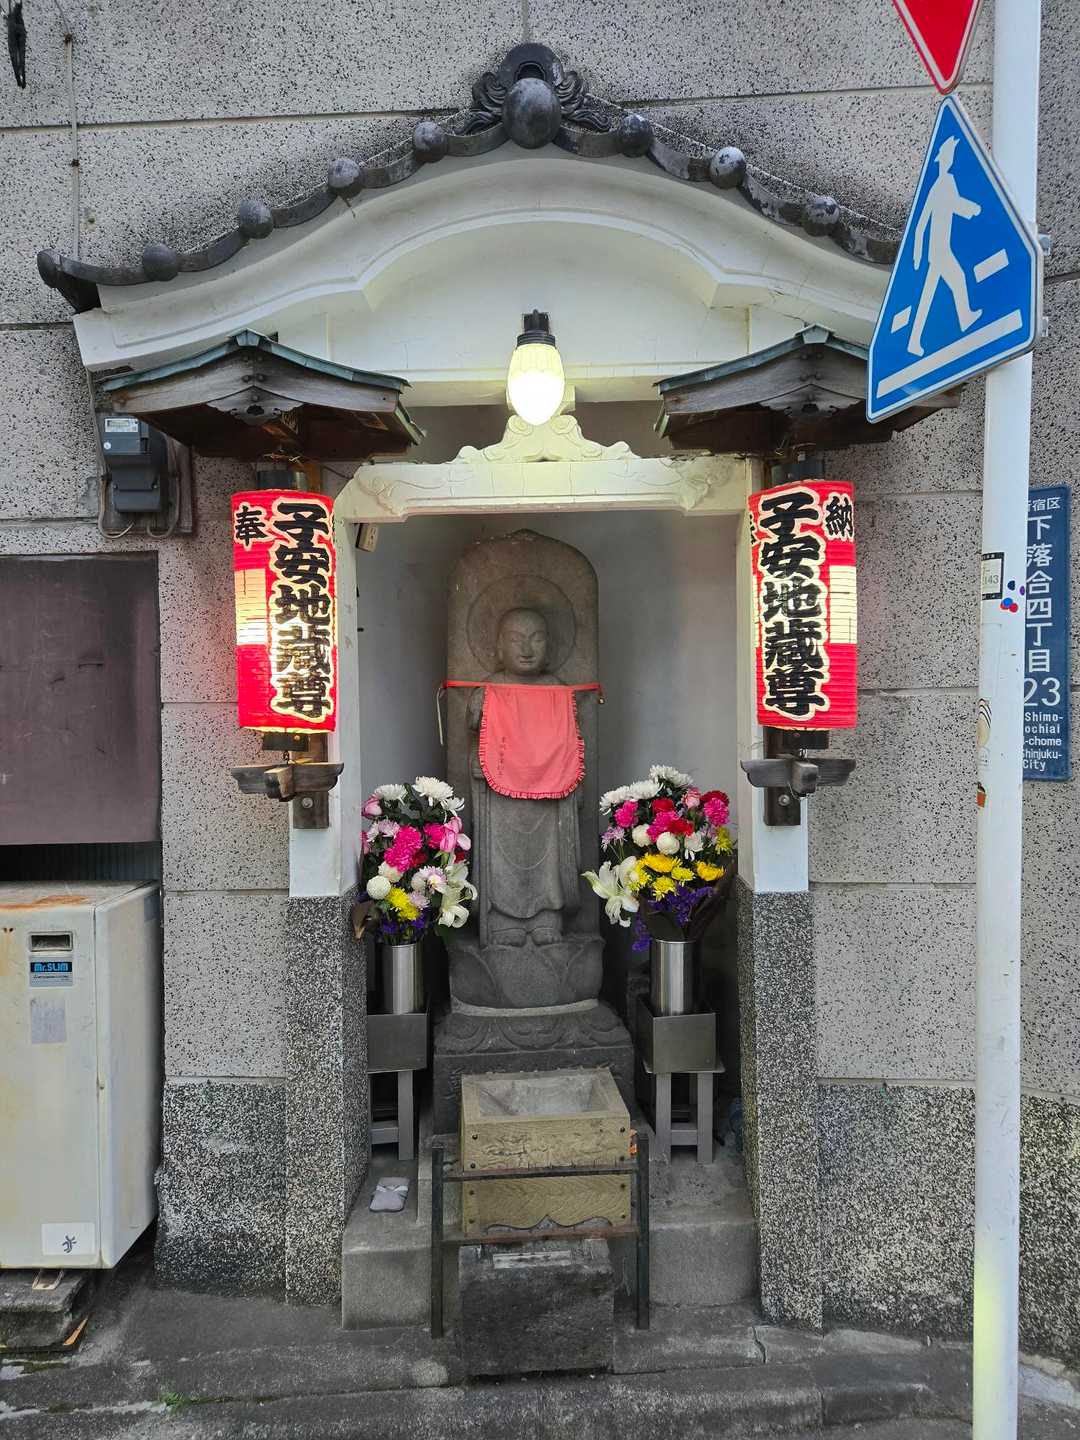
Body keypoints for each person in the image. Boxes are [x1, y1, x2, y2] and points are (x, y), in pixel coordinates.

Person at [908, 134, 982, 358]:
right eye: (949, 154)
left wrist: (918, 253)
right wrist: (973, 208)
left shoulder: (938, 185)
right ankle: (964, 317)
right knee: (956, 280)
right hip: (940, 250)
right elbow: (952, 206)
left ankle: (914, 341)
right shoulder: (946, 181)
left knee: (929, 295)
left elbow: (921, 225)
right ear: (944, 159)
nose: (950, 157)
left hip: (937, 250)